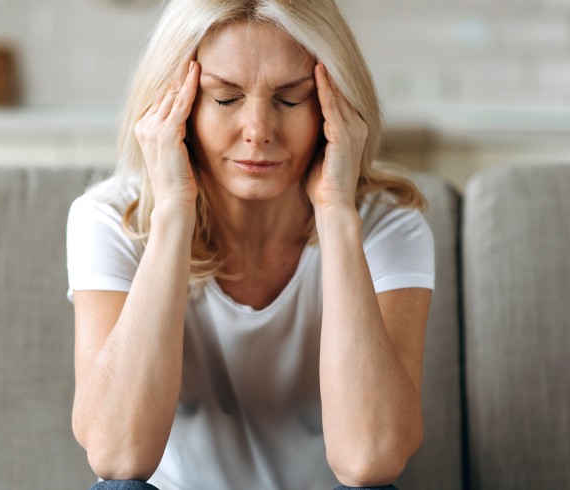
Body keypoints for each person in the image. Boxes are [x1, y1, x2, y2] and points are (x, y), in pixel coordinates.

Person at [66, 0, 434, 488]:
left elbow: (371, 460)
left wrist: (337, 215)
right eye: (224, 98)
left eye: (290, 98)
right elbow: (116, 456)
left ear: (335, 107)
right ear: (174, 105)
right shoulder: (110, 218)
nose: (258, 131)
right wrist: (173, 211)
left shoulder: (387, 226)